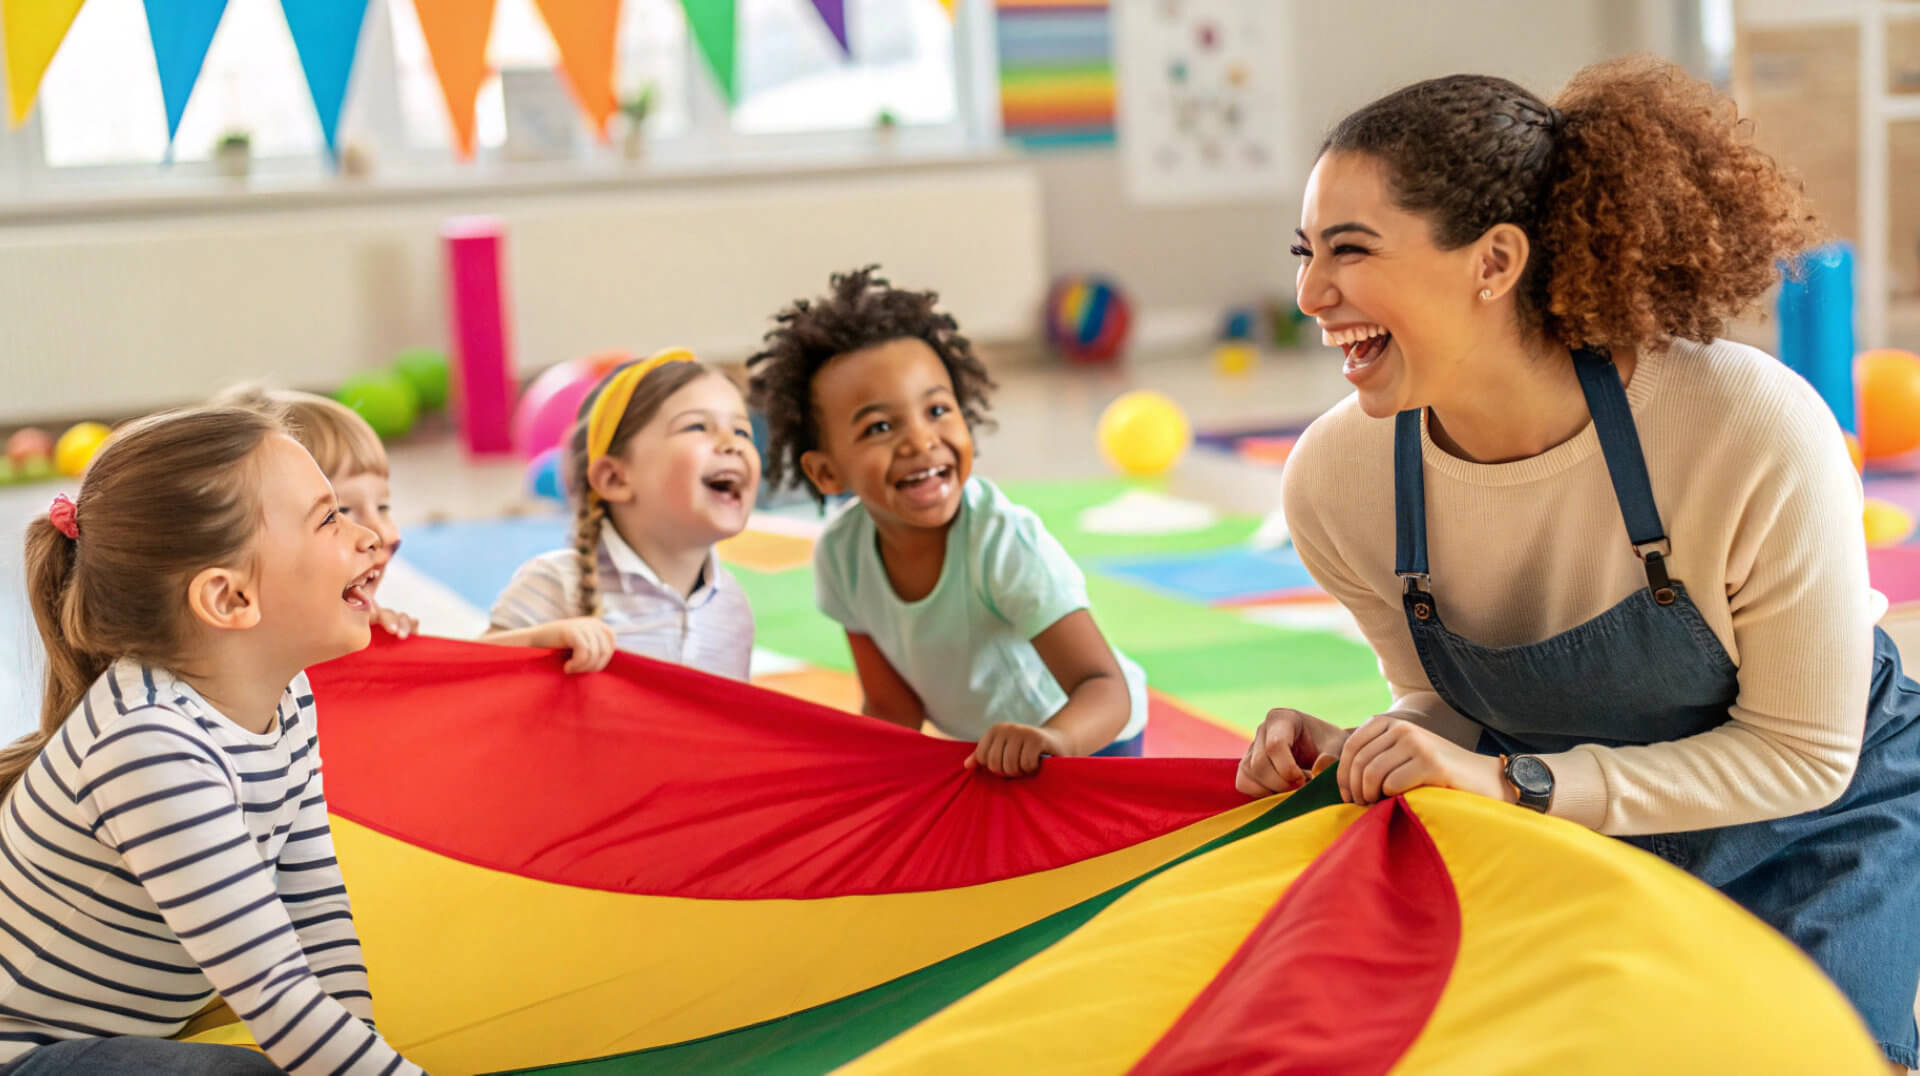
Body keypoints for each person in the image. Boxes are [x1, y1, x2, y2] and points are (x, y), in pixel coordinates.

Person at [1238, 58, 1920, 1071]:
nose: (1309, 291)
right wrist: (1378, 744)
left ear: (1494, 259)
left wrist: (1515, 781)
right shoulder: (1337, 478)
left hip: (1811, 827)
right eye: (1305, 252)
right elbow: (1443, 700)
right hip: (1573, 828)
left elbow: (1800, 756)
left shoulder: (1746, 425)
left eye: (1350, 249)